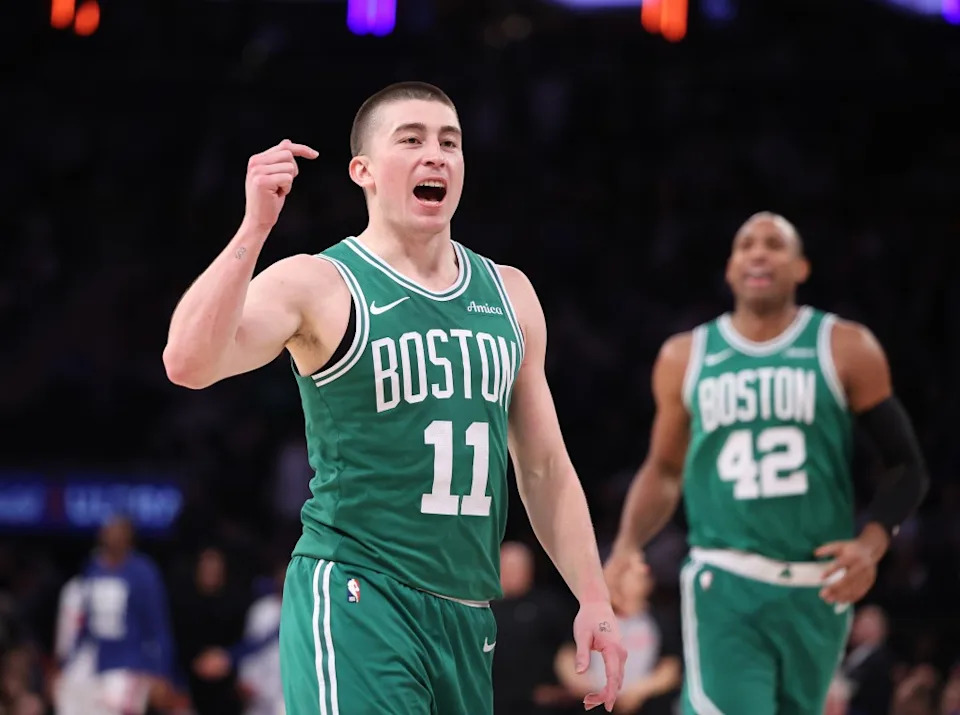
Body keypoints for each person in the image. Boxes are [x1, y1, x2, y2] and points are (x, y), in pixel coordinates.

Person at [162, 81, 625, 714]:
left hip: (466, 614)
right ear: (365, 171)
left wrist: (593, 596)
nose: (435, 155)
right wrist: (254, 226)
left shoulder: (510, 294)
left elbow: (543, 466)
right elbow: (187, 362)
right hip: (357, 590)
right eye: (411, 140)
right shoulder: (322, 281)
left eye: (449, 142)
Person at [604, 212, 928, 714]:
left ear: (801, 267)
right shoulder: (685, 356)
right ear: (731, 269)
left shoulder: (845, 347)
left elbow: (906, 467)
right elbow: (664, 469)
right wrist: (626, 546)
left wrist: (871, 544)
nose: (758, 252)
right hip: (725, 579)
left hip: (818, 590)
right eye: (746, 245)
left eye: (775, 245)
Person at [55, 515, 175, 715]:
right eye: (108, 530)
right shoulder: (92, 568)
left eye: (118, 531)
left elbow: (158, 626)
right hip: (94, 656)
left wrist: (161, 673)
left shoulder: (144, 572)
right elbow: (84, 622)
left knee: (112, 704)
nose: (112, 536)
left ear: (129, 537)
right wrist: (68, 661)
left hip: (129, 660)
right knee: (67, 694)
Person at [556, 552, 682, 715]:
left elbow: (671, 667)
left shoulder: (660, 620)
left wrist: (639, 690)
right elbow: (566, 656)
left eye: (631, 575)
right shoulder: (590, 616)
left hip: (645, 706)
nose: (622, 581)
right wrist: (590, 686)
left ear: (648, 582)